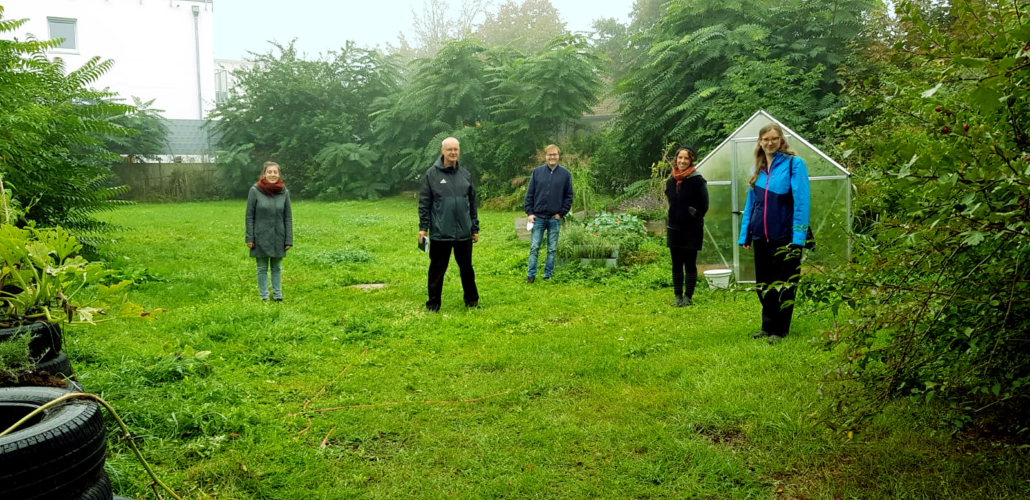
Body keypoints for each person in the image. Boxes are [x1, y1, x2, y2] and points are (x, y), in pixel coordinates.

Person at [738, 123, 811, 344]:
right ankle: (767, 325)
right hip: (761, 236)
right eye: (765, 139)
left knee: (784, 284)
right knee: (764, 283)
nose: (770, 142)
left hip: (785, 237)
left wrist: (798, 237)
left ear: (781, 141)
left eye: (774, 138)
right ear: (760, 142)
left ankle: (780, 330)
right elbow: (751, 205)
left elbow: (802, 203)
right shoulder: (756, 171)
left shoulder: (794, 165)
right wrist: (746, 234)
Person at [418, 137, 480, 312]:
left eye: (456, 149)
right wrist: (423, 227)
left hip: (463, 232)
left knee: (467, 269)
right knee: (437, 270)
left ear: (459, 151)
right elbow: (424, 203)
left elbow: (472, 204)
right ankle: (433, 305)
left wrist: (474, 227)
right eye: (449, 149)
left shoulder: (466, 175)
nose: (453, 153)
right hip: (440, 231)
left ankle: (472, 302)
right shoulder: (432, 174)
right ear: (442, 151)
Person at [665, 146, 708, 307]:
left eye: (686, 158)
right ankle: (677, 296)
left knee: (690, 263)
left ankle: (688, 297)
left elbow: (704, 205)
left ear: (691, 161)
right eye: (680, 158)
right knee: (676, 264)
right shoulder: (671, 181)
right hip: (674, 228)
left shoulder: (697, 181)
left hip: (692, 229)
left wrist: (692, 215)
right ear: (676, 159)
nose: (682, 161)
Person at [524, 144, 574, 283]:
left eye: (555, 154)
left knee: (551, 249)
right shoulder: (537, 172)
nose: (552, 157)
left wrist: (561, 213)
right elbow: (529, 194)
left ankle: (547, 275)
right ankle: (531, 276)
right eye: (549, 154)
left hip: (554, 218)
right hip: (538, 218)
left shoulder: (565, 174)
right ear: (545, 156)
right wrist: (530, 213)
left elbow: (569, 196)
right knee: (534, 247)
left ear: (558, 156)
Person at [245, 161, 293, 302]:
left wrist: (288, 238)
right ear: (264, 174)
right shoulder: (255, 191)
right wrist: (250, 237)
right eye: (269, 172)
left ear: (279, 174)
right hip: (260, 236)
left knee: (277, 267)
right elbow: (249, 215)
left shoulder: (284, 192)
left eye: (275, 172)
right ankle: (264, 296)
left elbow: (288, 217)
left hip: (279, 236)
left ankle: (278, 296)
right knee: (261, 267)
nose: (272, 174)